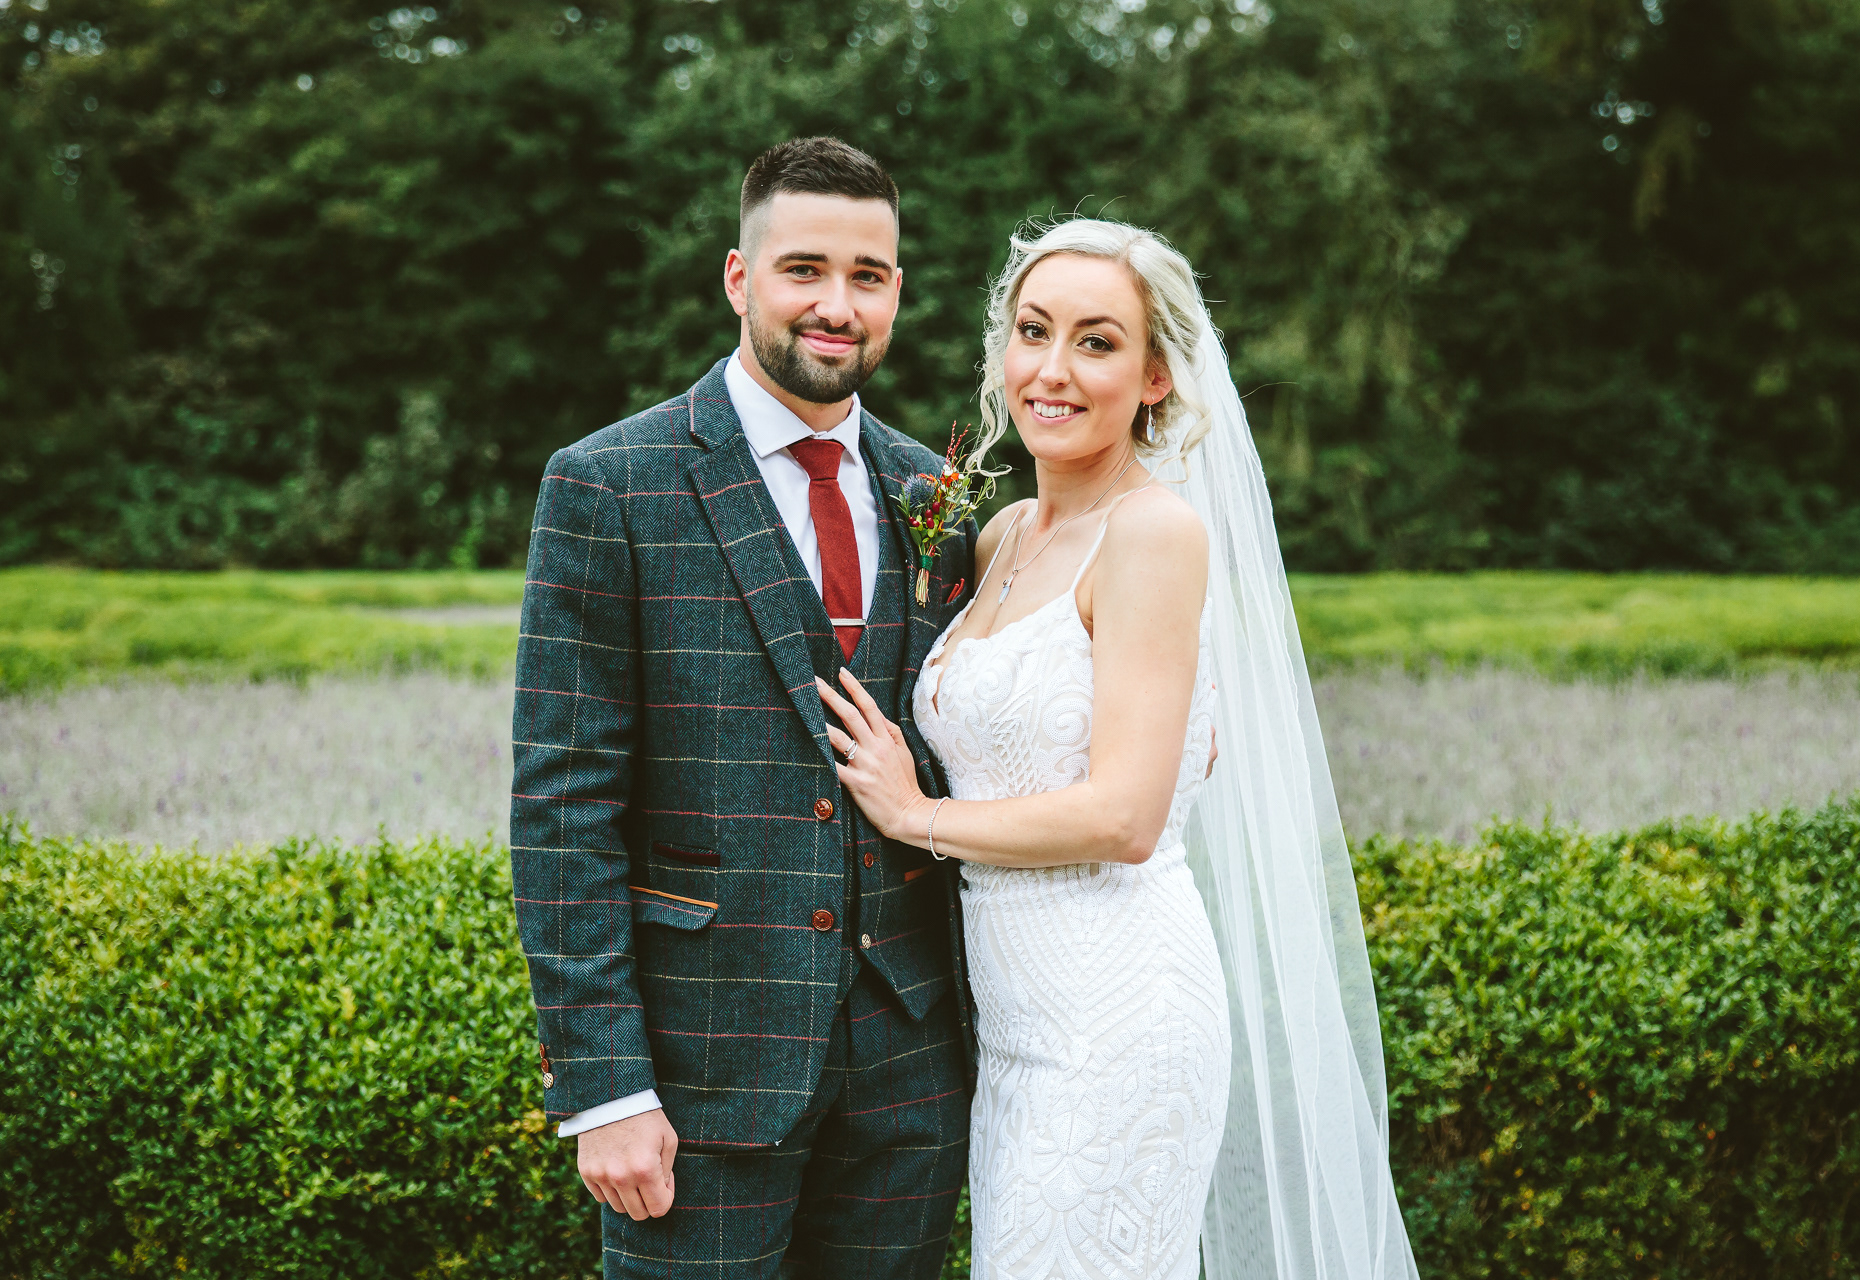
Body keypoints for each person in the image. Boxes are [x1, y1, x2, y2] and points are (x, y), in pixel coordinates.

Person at [821, 219, 1420, 1280]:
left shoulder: (1154, 531)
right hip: (1012, 1028)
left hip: (1118, 1016)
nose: (1052, 369)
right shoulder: (1003, 536)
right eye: (1033, 331)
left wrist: (917, 815)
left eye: (1095, 342)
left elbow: (1127, 816)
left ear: (1155, 376)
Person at [509, 137, 976, 1280]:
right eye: (803, 268)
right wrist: (605, 1087)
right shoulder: (609, 483)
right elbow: (563, 802)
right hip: (696, 1072)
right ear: (738, 277)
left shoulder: (938, 494)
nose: (837, 304)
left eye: (868, 275)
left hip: (910, 1078)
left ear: (898, 291)